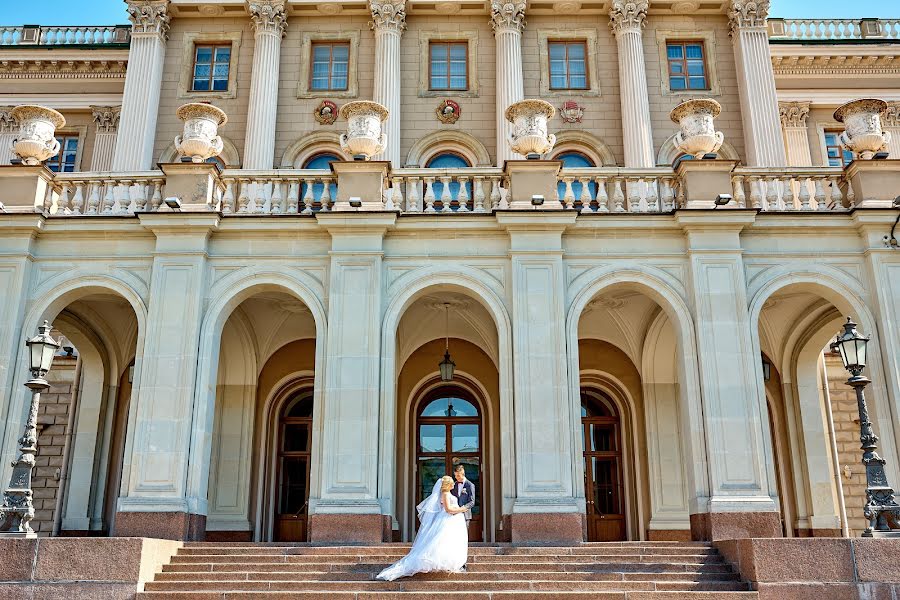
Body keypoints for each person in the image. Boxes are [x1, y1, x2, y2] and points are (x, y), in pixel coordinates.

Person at [376, 475, 469, 581]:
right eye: (452, 482)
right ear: (448, 484)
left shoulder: (448, 493)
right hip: (447, 520)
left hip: (451, 520)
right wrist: (462, 509)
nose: (454, 484)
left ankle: (449, 563)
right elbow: (448, 509)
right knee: (440, 542)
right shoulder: (445, 494)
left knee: (447, 542)